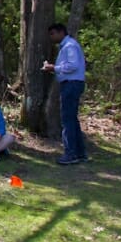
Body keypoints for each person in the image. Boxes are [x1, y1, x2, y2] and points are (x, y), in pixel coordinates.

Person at [42, 22, 87, 164]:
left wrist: (54, 68)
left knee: (67, 119)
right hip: (70, 84)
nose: (51, 37)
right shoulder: (66, 47)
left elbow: (73, 66)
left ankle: (71, 153)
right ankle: (80, 153)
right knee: (72, 119)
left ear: (61, 32)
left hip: (72, 84)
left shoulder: (70, 46)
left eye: (53, 33)